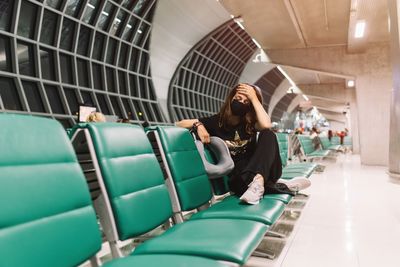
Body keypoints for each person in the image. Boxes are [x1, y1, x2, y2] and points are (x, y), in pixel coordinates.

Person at [176, 83, 310, 205]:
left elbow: (266, 124)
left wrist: (254, 98)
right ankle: (279, 186)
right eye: (239, 98)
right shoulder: (216, 122)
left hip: (263, 171)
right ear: (231, 98)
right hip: (240, 179)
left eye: (246, 102)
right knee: (244, 179)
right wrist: (198, 124)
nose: (241, 103)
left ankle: (260, 183)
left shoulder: (250, 123)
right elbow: (179, 123)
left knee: (268, 134)